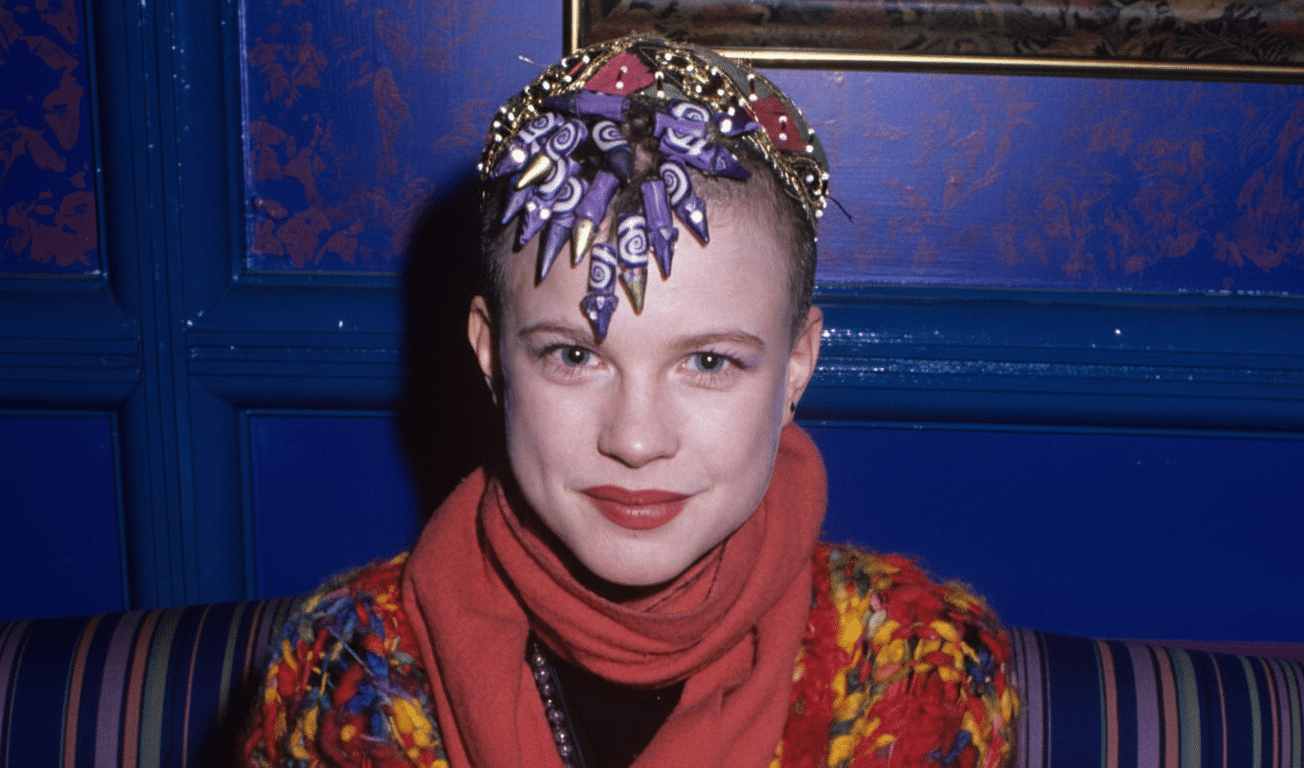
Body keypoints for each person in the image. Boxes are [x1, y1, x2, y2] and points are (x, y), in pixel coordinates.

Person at [244, 35, 1017, 768]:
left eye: (709, 361)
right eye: (575, 356)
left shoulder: (919, 666)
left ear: (795, 368)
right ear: (490, 355)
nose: (637, 441)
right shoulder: (348, 671)